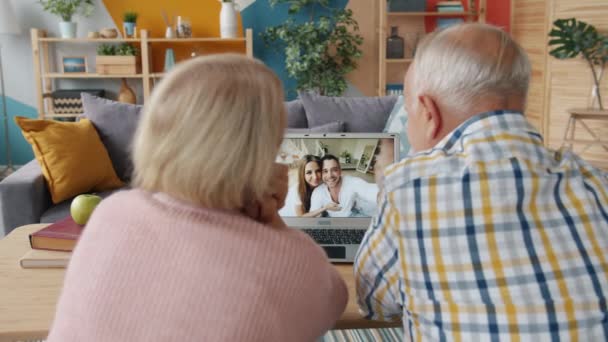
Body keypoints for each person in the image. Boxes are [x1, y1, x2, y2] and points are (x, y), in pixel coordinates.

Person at [47, 55, 347, 341]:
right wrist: (274, 224)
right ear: (259, 154)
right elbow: (334, 300)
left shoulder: (110, 212)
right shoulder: (290, 263)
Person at [355, 23, 608, 340]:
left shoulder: (409, 187)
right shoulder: (598, 184)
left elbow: (374, 303)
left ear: (429, 113)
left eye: (408, 111)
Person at [310, 154, 379, 217]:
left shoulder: (352, 182)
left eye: (334, 170)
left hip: (352, 216)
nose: (330, 175)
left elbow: (369, 190)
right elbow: (313, 215)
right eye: (325, 171)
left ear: (340, 171)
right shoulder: (318, 191)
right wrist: (324, 208)